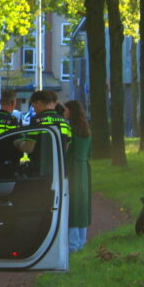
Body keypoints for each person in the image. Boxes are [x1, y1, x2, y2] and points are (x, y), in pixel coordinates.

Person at [64, 100, 92, 252]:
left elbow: (67, 150)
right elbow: (89, 152)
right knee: (82, 204)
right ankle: (81, 240)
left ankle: (73, 244)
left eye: (66, 110)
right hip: (84, 168)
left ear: (71, 112)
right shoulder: (86, 129)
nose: (64, 113)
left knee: (73, 205)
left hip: (73, 168)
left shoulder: (70, 128)